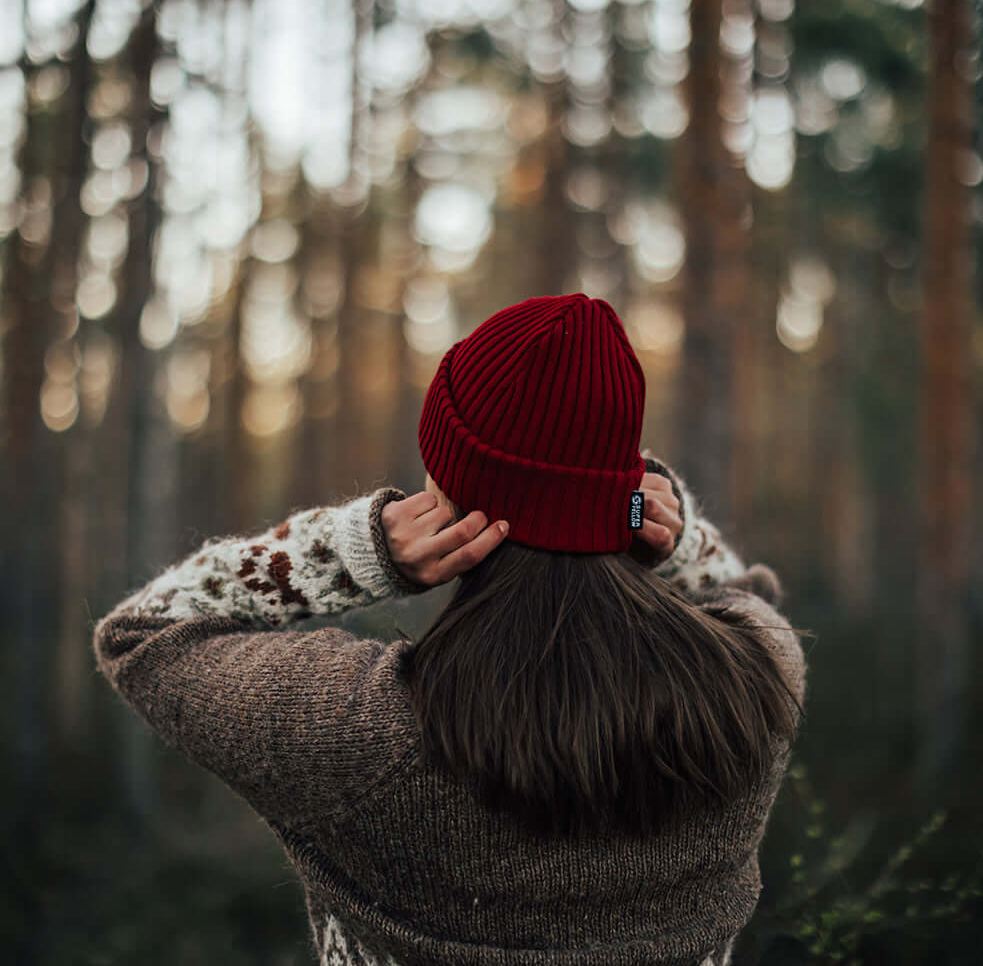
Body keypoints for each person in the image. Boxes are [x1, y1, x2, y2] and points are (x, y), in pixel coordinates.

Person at [92, 293, 809, 966]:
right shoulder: (756, 683)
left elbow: (142, 631)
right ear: (626, 492)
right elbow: (742, 592)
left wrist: (353, 551)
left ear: (443, 489)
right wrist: (671, 540)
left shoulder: (357, 730)